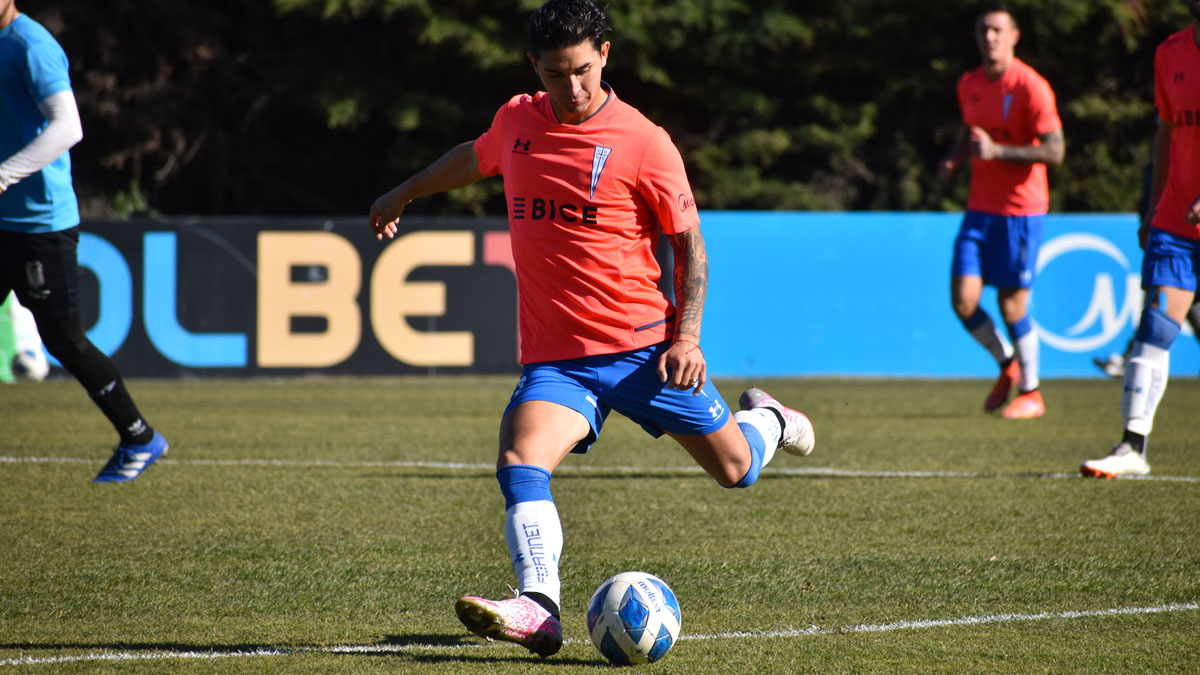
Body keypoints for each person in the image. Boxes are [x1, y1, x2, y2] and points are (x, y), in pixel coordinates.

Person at [369, 0, 814, 658]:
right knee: (520, 462)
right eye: (554, 74)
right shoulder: (517, 121)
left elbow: (690, 246)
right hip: (558, 360)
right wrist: (404, 191)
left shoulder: (644, 141)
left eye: (581, 70)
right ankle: (539, 606)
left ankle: (770, 418)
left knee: (737, 469)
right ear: (534, 67)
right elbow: (475, 156)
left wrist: (686, 338)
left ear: (605, 54)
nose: (571, 87)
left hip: (644, 353)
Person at [0, 1, 167, 482]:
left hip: (39, 226)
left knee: (66, 342)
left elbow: (68, 127)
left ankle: (139, 437)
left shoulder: (31, 46)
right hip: (4, 220)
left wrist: (4, 176)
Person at [1081, 2, 1200, 478]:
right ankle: (1132, 447)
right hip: (1175, 223)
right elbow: (1166, 133)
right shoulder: (1170, 53)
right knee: (1156, 327)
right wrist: (1154, 208)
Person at [939, 3, 1065, 419]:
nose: (989, 37)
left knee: (1012, 306)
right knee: (963, 301)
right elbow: (970, 130)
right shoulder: (968, 83)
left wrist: (997, 152)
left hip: (1021, 212)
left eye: (996, 30)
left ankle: (1032, 392)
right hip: (980, 210)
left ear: (1014, 36)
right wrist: (956, 158)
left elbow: (1055, 150)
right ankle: (1007, 364)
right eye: (982, 31)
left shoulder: (1032, 87)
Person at [1093, 164, 1200, 378]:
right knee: (1160, 304)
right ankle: (1132, 355)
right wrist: (1151, 216)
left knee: (1163, 306)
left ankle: (1132, 356)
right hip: (1166, 233)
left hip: (1183, 237)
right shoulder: (1161, 153)